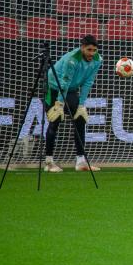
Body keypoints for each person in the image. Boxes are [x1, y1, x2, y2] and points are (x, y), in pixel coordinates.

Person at [44, 35, 102, 173]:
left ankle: (81, 162)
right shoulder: (72, 60)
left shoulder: (97, 60)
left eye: (94, 50)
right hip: (54, 87)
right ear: (82, 47)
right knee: (55, 120)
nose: (91, 53)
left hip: (70, 89)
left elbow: (88, 82)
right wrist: (59, 103)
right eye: (89, 50)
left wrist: (81, 104)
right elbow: (64, 82)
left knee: (80, 118)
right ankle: (49, 162)